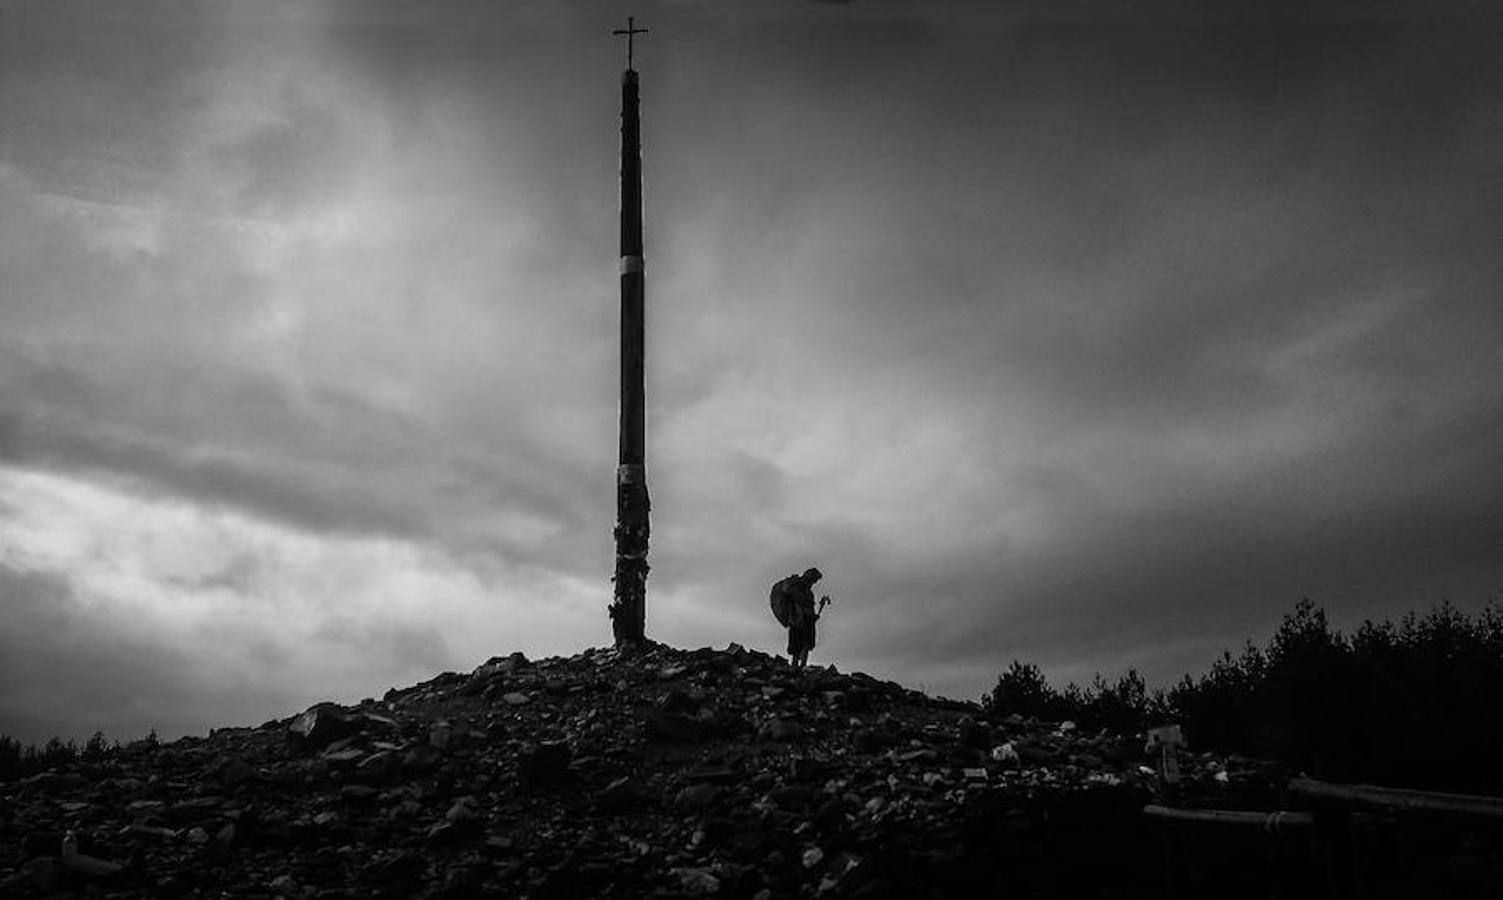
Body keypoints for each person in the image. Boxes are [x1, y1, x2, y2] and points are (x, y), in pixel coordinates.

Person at [771, 567, 828, 669]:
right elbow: (793, 596)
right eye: (813, 580)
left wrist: (813, 616)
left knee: (805, 644)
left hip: (805, 621)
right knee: (798, 644)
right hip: (797, 621)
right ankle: (796, 666)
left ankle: (801, 666)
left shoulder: (808, 593)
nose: (813, 583)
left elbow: (809, 607)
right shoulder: (794, 587)